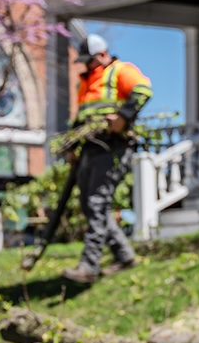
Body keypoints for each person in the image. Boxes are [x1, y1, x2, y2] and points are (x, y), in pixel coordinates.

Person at [61, 33, 152, 284]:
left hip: (113, 147)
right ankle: (124, 255)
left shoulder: (120, 71)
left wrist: (123, 117)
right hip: (90, 149)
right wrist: (71, 146)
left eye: (89, 61)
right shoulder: (86, 82)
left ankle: (89, 267)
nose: (86, 66)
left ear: (102, 55)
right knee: (89, 206)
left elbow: (143, 90)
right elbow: (80, 117)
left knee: (97, 203)